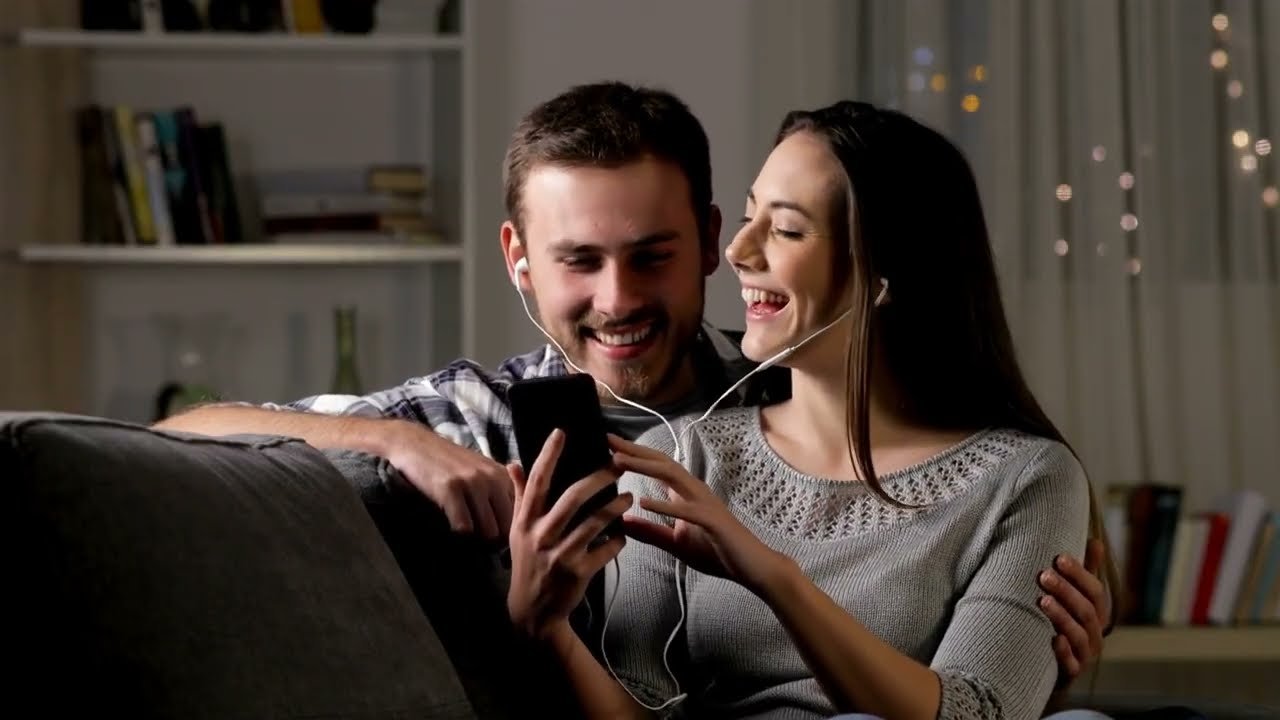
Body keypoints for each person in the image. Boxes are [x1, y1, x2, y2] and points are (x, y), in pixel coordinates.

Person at [153, 82, 1113, 702]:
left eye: (652, 257)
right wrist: (395, 443)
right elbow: (180, 431)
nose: (618, 302)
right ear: (519, 262)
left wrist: (1028, 656)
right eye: (580, 262)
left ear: (702, 238)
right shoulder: (476, 415)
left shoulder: (789, 376)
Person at [502, 99, 1122, 719]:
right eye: (749, 219)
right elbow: (641, 712)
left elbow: (978, 713)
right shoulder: (682, 458)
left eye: (787, 230)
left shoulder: (1025, 479)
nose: (739, 252)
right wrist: (547, 625)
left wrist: (773, 577)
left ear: (882, 273)